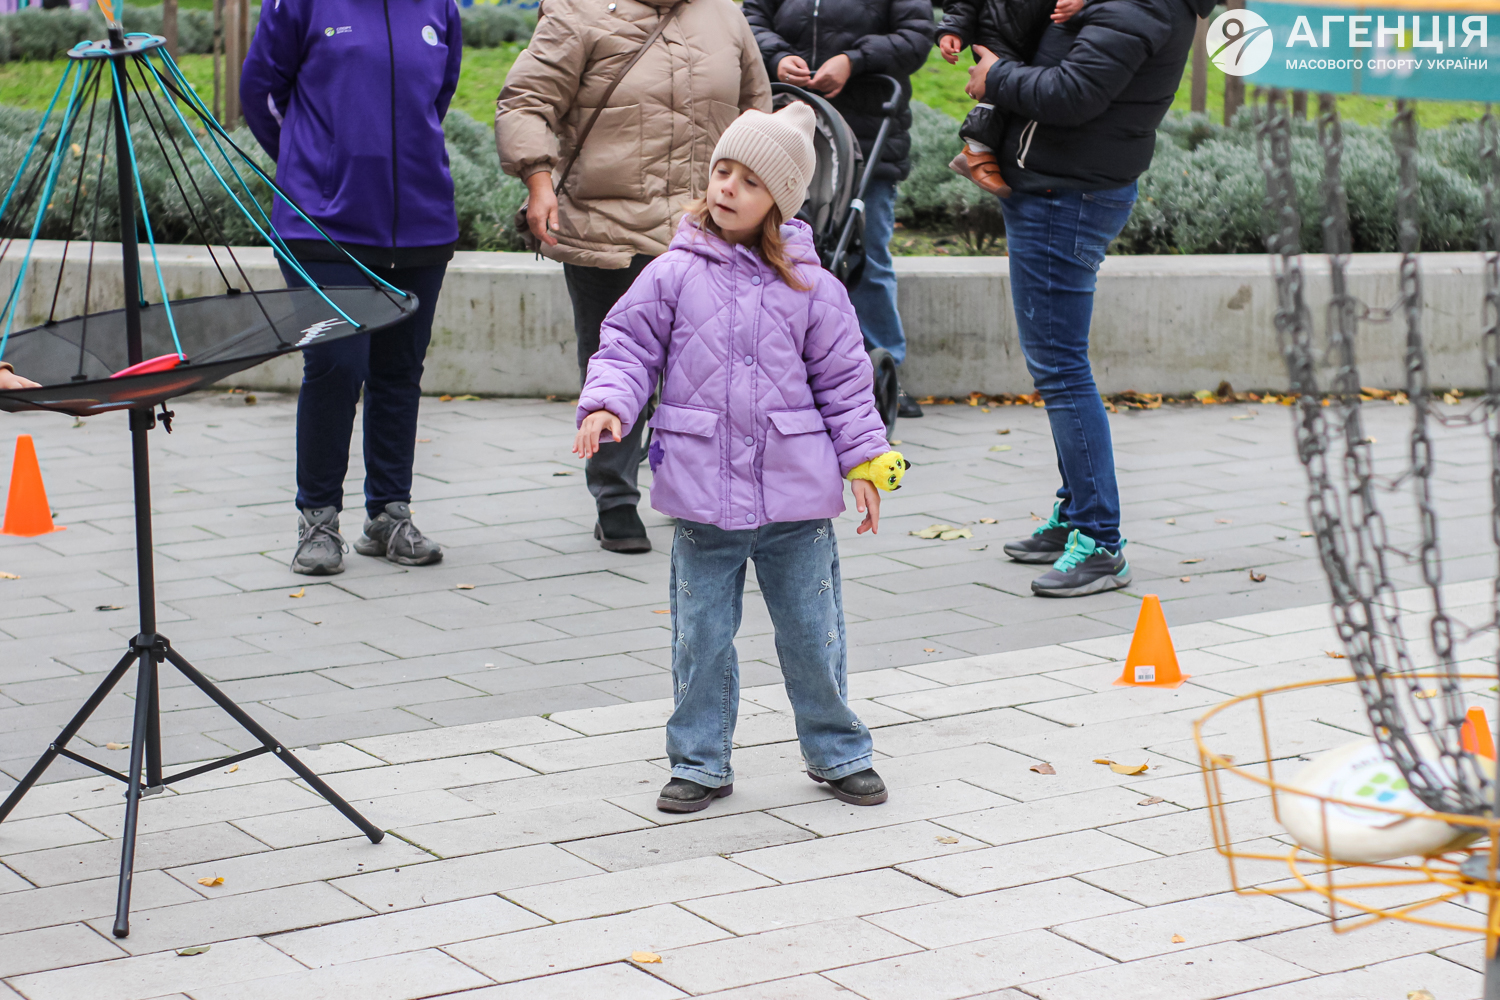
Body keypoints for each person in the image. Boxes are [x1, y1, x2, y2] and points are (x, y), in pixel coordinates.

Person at [572, 104, 908, 814]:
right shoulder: (672, 274)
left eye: (750, 181)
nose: (727, 187)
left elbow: (847, 385)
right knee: (700, 640)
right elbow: (627, 347)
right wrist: (608, 403)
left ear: (780, 202)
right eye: (722, 170)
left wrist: (865, 461)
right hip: (703, 496)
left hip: (795, 501)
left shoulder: (814, 288)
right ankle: (700, 760)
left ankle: (838, 750)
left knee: (813, 635)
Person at [496, 0, 771, 555]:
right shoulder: (578, 10)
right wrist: (538, 180)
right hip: (608, 233)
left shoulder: (723, 12)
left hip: (704, 231)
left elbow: (756, 114)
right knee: (616, 364)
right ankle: (615, 496)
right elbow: (526, 101)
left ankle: (694, 488)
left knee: (707, 368)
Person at [969, 0, 1212, 596]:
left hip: (1065, 196)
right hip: (1057, 187)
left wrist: (995, 76)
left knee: (1061, 369)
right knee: (1056, 366)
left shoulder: (1141, 5)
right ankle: (1076, 513)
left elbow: (1074, 93)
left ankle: (1100, 541)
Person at [241, 0, 461, 576]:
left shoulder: (439, 5)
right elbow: (260, 92)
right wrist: (313, 165)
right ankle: (317, 518)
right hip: (323, 224)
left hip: (420, 222)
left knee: (399, 369)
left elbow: (438, 94)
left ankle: (388, 514)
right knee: (337, 365)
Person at [742, 0, 934, 419]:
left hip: (866, 134)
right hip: (785, 133)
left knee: (867, 257)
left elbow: (917, 35)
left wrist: (853, 60)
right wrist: (777, 57)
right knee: (774, 250)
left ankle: (885, 368)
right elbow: (751, 17)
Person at [937, 0, 1084, 196]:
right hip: (997, 33)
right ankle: (976, 149)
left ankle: (1003, 154)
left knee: (1030, 88)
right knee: (999, 86)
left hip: (1043, 35)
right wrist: (952, 29)